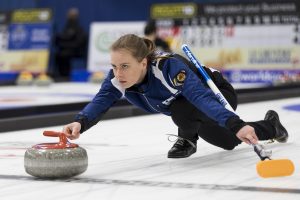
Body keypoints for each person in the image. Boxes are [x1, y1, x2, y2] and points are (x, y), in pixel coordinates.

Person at [62, 34, 288, 158]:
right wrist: (80, 122)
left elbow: (199, 96)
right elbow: (101, 100)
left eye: (124, 66)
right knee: (229, 141)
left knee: (184, 110)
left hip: (216, 95)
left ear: (143, 63)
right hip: (189, 108)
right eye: (114, 66)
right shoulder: (117, 78)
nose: (118, 73)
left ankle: (188, 139)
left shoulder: (169, 68)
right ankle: (272, 126)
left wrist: (234, 122)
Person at [54, 7, 87, 78]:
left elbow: (79, 42)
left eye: (73, 15)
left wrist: (64, 45)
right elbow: (64, 37)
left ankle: (66, 75)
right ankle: (61, 74)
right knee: (59, 55)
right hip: (67, 48)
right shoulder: (67, 26)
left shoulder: (78, 28)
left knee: (64, 54)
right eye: (70, 15)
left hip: (77, 50)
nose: (70, 16)